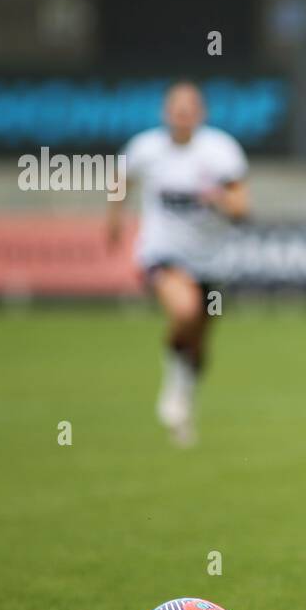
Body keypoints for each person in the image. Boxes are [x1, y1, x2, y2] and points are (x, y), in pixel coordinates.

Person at [107, 81, 249, 446]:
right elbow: (122, 179)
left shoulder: (220, 152)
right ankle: (173, 387)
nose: (182, 116)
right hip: (162, 253)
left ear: (201, 114)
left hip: (213, 261)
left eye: (189, 109)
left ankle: (183, 396)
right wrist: (114, 221)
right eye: (176, 109)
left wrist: (217, 197)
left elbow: (241, 208)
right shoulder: (145, 148)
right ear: (165, 113)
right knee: (184, 312)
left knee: (199, 346)